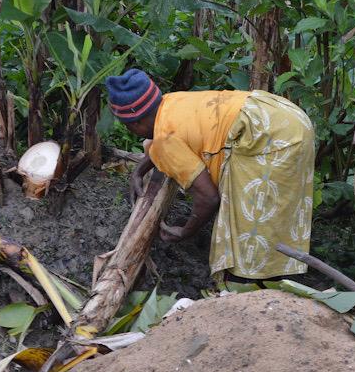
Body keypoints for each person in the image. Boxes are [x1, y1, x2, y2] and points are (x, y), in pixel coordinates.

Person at [105, 68, 315, 284]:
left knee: (250, 221)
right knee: (274, 209)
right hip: (281, 115)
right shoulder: (170, 102)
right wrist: (140, 170)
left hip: (270, 136)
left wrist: (186, 231)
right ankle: (277, 270)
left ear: (135, 124)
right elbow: (173, 134)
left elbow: (208, 198)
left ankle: (251, 283)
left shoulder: (165, 141)